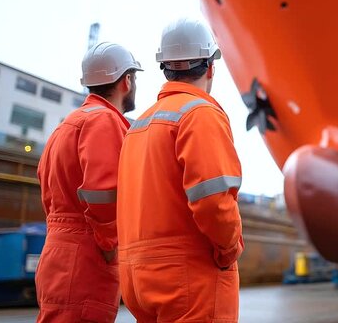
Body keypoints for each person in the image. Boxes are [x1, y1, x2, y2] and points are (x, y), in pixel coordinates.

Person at [117, 18, 244, 322]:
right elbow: (214, 200)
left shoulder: (138, 126)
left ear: (166, 67)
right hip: (188, 276)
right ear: (211, 67)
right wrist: (230, 250)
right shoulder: (200, 114)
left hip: (137, 277)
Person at [35, 42, 142, 322]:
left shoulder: (67, 124)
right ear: (126, 81)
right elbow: (102, 192)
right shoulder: (104, 121)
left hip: (58, 249)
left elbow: (48, 189)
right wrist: (110, 245)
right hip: (87, 254)